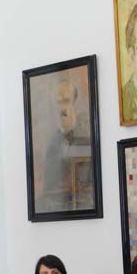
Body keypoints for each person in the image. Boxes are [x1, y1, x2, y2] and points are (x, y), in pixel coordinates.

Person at [38, 79, 92, 212]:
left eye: (66, 100)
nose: (62, 107)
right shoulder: (51, 143)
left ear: (75, 104)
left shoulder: (86, 136)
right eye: (58, 102)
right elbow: (49, 185)